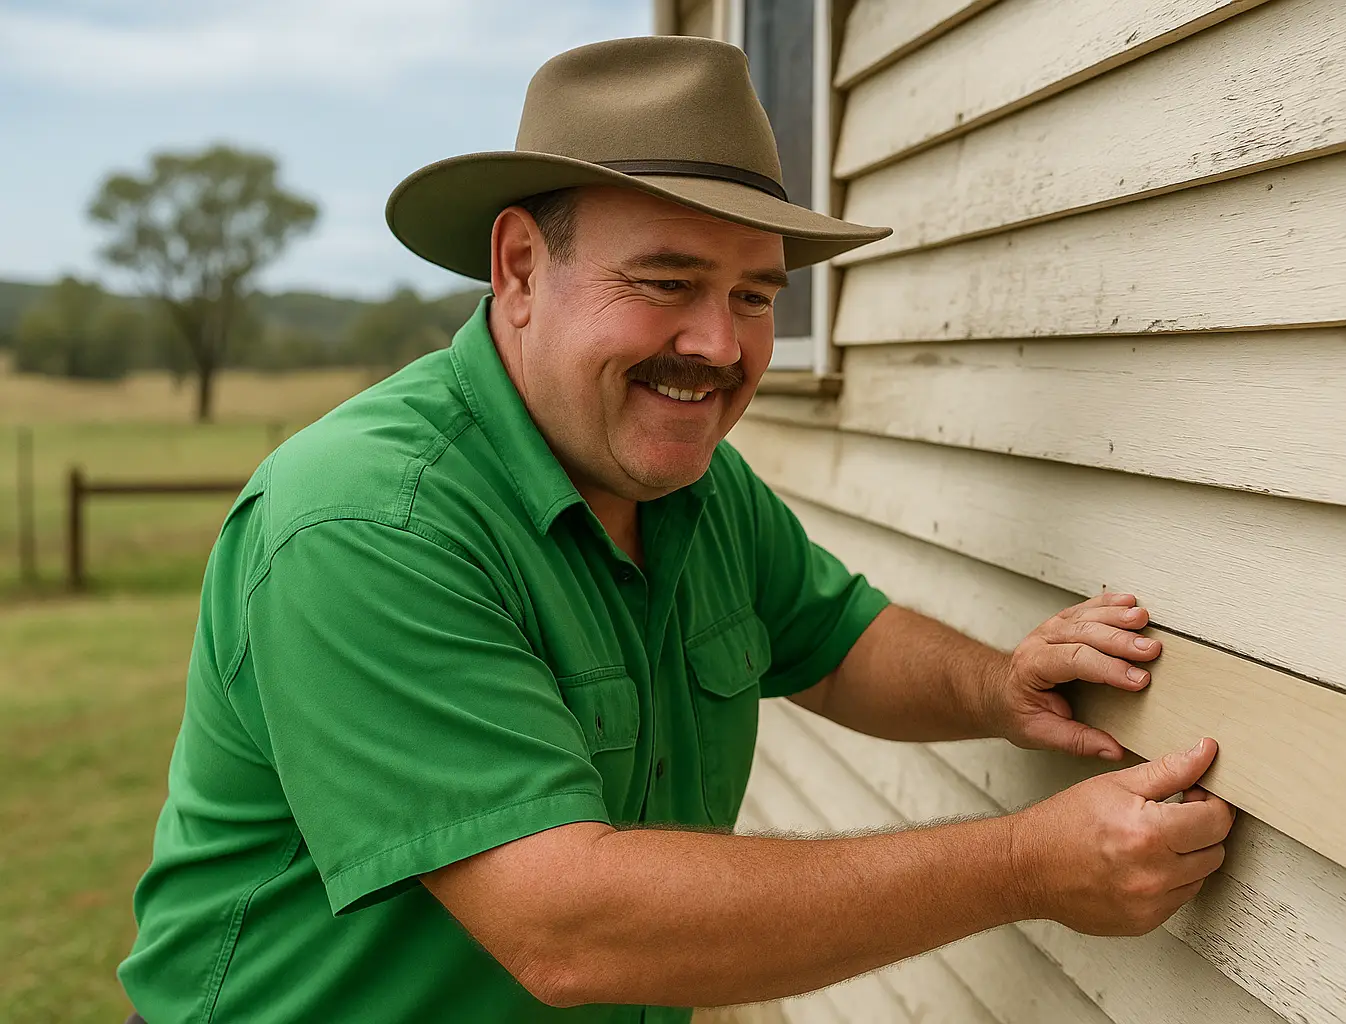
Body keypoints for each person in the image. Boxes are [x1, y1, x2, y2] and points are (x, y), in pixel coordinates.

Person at [118, 35, 1233, 1023]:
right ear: (518, 269)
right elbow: (567, 925)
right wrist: (1024, 866)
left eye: (756, 295)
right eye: (666, 280)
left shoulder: (690, 484)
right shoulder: (366, 521)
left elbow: (839, 644)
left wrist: (999, 686)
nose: (717, 343)